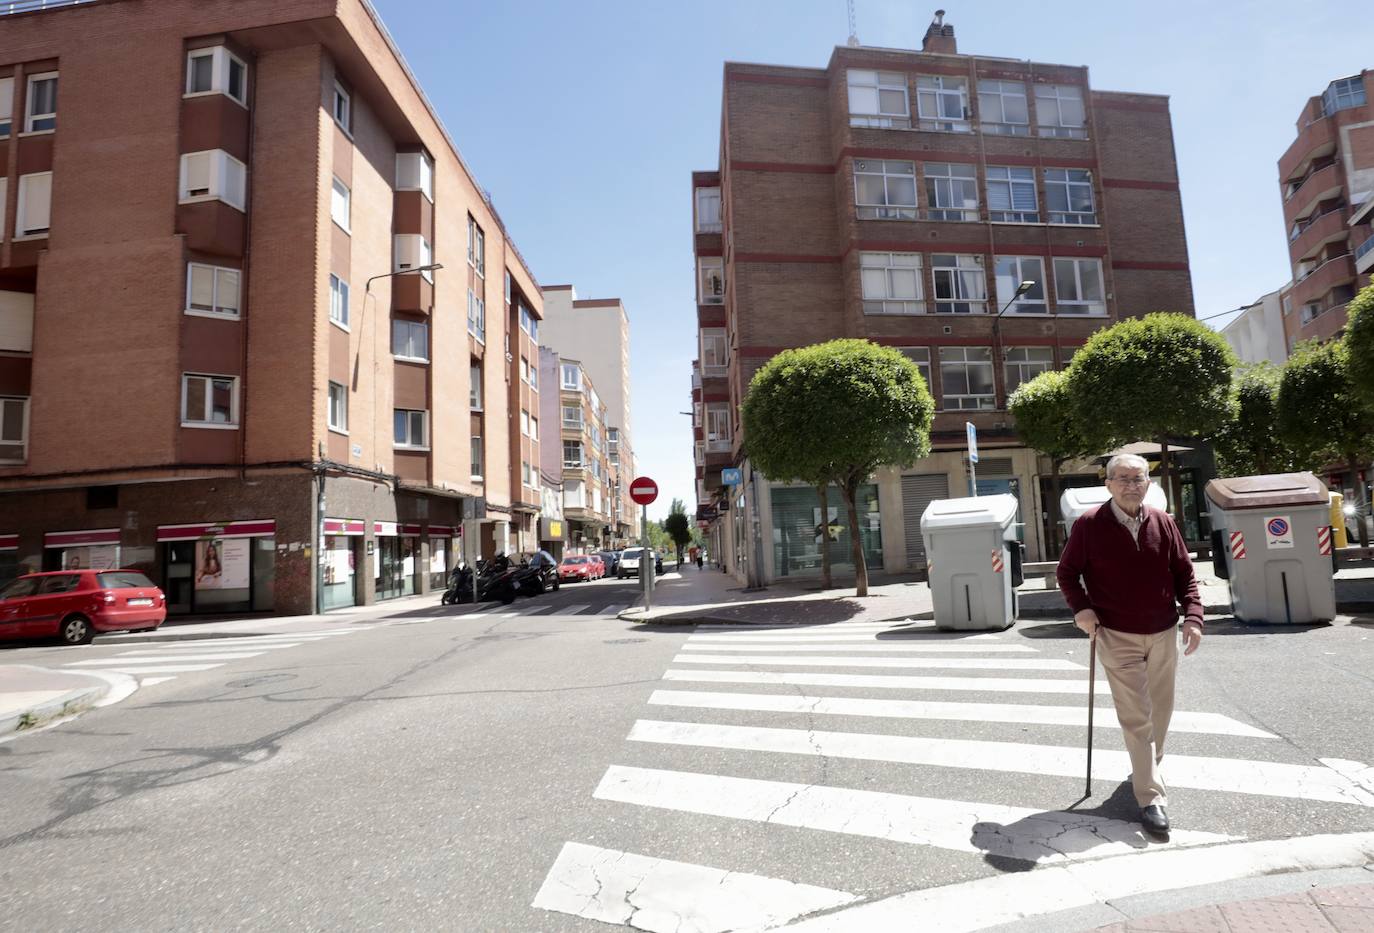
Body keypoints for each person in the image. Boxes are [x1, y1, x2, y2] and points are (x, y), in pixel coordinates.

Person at [1056, 453, 1203, 837]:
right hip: (1116, 633)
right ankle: (1151, 797)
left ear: (1148, 484)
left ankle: (1147, 763)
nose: (1130, 485)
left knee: (1162, 708)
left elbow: (1185, 573)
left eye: (1137, 478)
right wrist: (1082, 609)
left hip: (1162, 630)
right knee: (1136, 715)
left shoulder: (1163, 522)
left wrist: (1193, 616)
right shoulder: (1089, 525)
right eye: (1122, 478)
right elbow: (1067, 573)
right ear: (1107, 483)